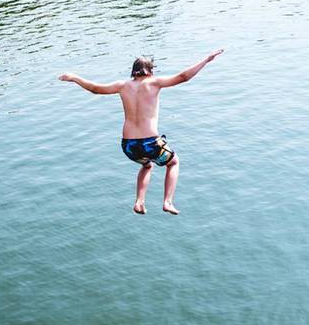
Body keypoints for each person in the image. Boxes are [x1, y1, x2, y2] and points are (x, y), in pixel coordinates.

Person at [58, 49, 223, 215]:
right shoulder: (154, 82)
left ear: (133, 72)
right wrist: (206, 60)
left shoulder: (121, 85)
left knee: (146, 165)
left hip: (129, 145)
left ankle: (139, 202)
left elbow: (95, 88)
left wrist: (74, 77)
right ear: (150, 71)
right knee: (173, 163)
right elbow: (183, 77)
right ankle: (167, 202)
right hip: (150, 142)